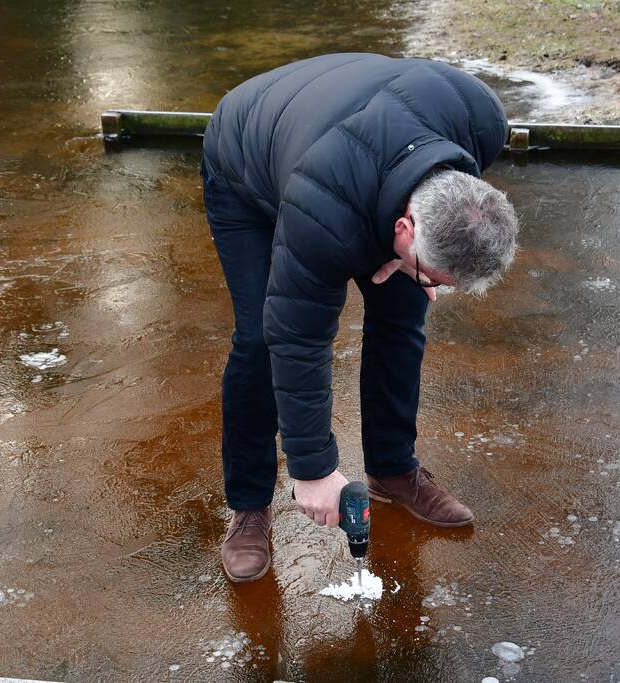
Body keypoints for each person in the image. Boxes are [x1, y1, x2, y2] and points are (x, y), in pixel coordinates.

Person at [200, 53, 519, 582]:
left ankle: (392, 468)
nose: (440, 290)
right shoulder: (320, 211)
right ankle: (249, 506)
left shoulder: (482, 119)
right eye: (437, 276)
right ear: (403, 225)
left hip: (351, 127)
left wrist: (415, 270)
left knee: (403, 312)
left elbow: (450, 210)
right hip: (248, 157)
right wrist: (314, 469)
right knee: (260, 338)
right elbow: (298, 338)